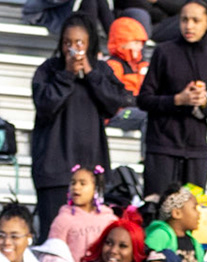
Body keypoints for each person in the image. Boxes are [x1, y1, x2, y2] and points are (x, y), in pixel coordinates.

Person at [32, 17, 133, 227]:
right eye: (67, 42)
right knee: (54, 233)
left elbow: (115, 102)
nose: (73, 48)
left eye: (79, 43)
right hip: (55, 172)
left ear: (89, 44)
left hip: (91, 171)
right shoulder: (49, 70)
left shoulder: (101, 70)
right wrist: (67, 75)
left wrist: (90, 73)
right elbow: (44, 106)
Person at [137, 0, 207, 200]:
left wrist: (203, 102)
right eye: (184, 20)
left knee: (191, 212)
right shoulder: (164, 52)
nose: (189, 26)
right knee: (157, 210)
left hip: (196, 150)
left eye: (196, 20)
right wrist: (177, 100)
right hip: (161, 146)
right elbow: (143, 99)